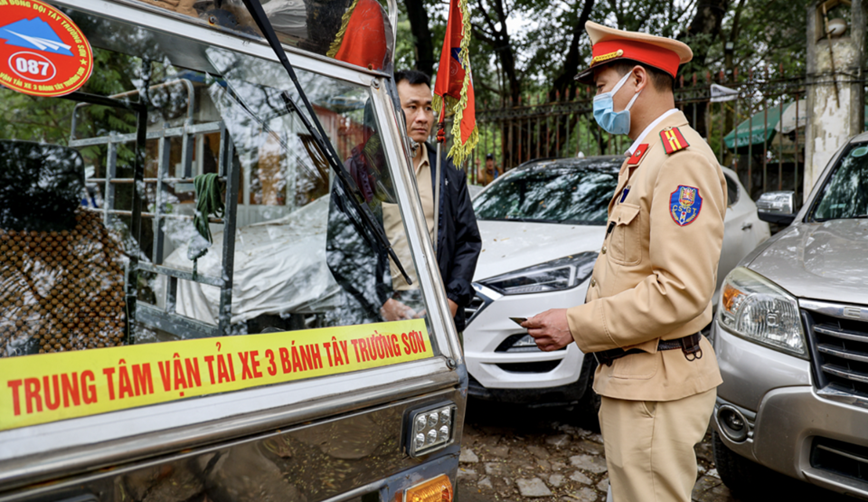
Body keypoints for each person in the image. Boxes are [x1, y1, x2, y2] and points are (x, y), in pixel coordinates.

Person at [522, 22, 726, 502]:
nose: (597, 100)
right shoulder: (646, 157)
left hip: (657, 384)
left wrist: (577, 323)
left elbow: (681, 289)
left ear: (637, 80)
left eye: (601, 87)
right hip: (638, 377)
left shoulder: (680, 161)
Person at [380, 70, 481, 333]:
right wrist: (379, 301)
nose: (423, 117)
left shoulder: (447, 170)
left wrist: (452, 300)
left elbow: (468, 241)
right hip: (383, 314)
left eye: (428, 108)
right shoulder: (365, 171)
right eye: (412, 107)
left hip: (438, 308)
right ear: (390, 109)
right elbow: (346, 249)